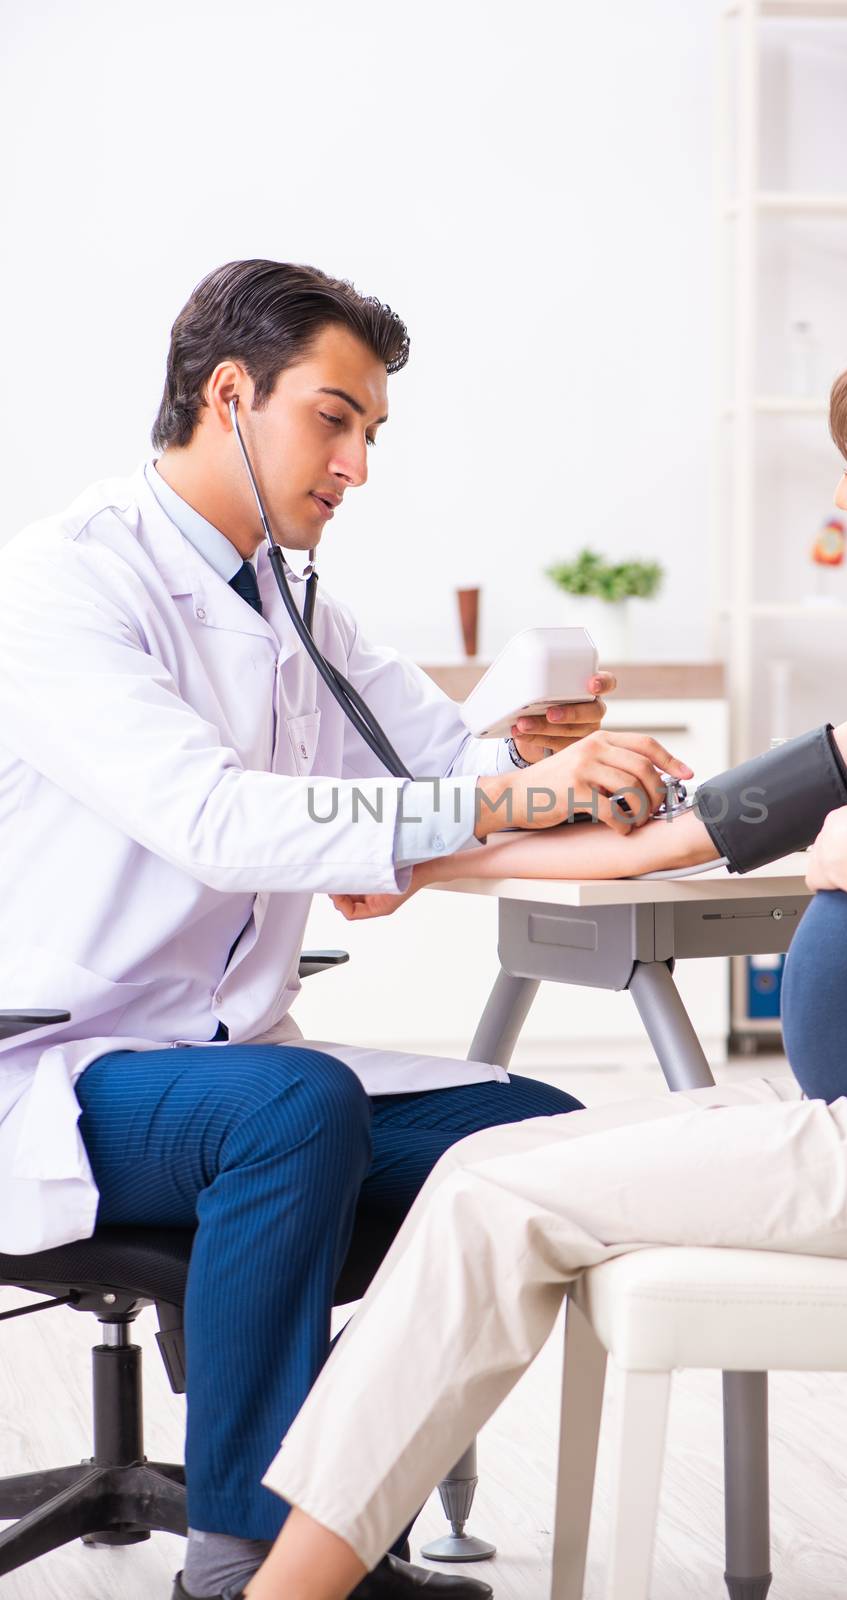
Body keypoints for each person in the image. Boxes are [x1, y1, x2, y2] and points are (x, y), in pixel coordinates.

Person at [231, 316, 847, 1600]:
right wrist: (414, 864)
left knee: (490, 1199)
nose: (841, 499)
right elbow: (693, 829)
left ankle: (288, 1587)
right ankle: (304, 1566)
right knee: (483, 1168)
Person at [0, 258, 694, 1600]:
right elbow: (212, 818)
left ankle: (337, 1493)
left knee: (532, 1133)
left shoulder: (291, 598)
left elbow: (429, 761)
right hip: (58, 1066)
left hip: (223, 1060)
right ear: (228, 394)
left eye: (372, 431)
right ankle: (254, 1552)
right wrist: (498, 790)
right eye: (335, 418)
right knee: (292, 1108)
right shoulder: (63, 585)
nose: (358, 464)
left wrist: (529, 747)